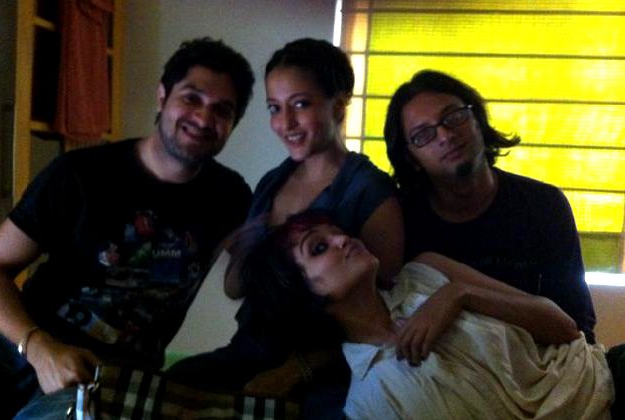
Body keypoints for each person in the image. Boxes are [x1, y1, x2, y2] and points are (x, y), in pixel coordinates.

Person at [0, 37, 254, 420]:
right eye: (191, 98)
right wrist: (39, 347)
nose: (203, 118)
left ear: (233, 124)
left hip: (109, 379)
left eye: (222, 110)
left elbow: (249, 281)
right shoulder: (80, 174)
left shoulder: (229, 197)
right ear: (162, 96)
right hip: (20, 345)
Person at [166, 38, 404, 419]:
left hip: (329, 372)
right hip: (252, 350)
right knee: (171, 387)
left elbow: (384, 319)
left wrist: (295, 372)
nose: (285, 123)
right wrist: (237, 243)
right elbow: (237, 287)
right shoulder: (272, 183)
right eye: (275, 108)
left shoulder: (369, 191)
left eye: (300, 104)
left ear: (338, 105)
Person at [240, 213, 618, 420]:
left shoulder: (425, 272)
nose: (342, 240)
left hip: (603, 375)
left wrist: (459, 294)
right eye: (319, 248)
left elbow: (565, 327)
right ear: (304, 295)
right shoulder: (371, 401)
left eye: (336, 232)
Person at [384, 69, 596, 345]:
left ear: (478, 120)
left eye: (453, 117)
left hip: (543, 361)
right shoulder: (400, 221)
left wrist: (461, 294)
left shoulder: (543, 205)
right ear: (411, 157)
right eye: (423, 134)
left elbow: (577, 327)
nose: (445, 135)